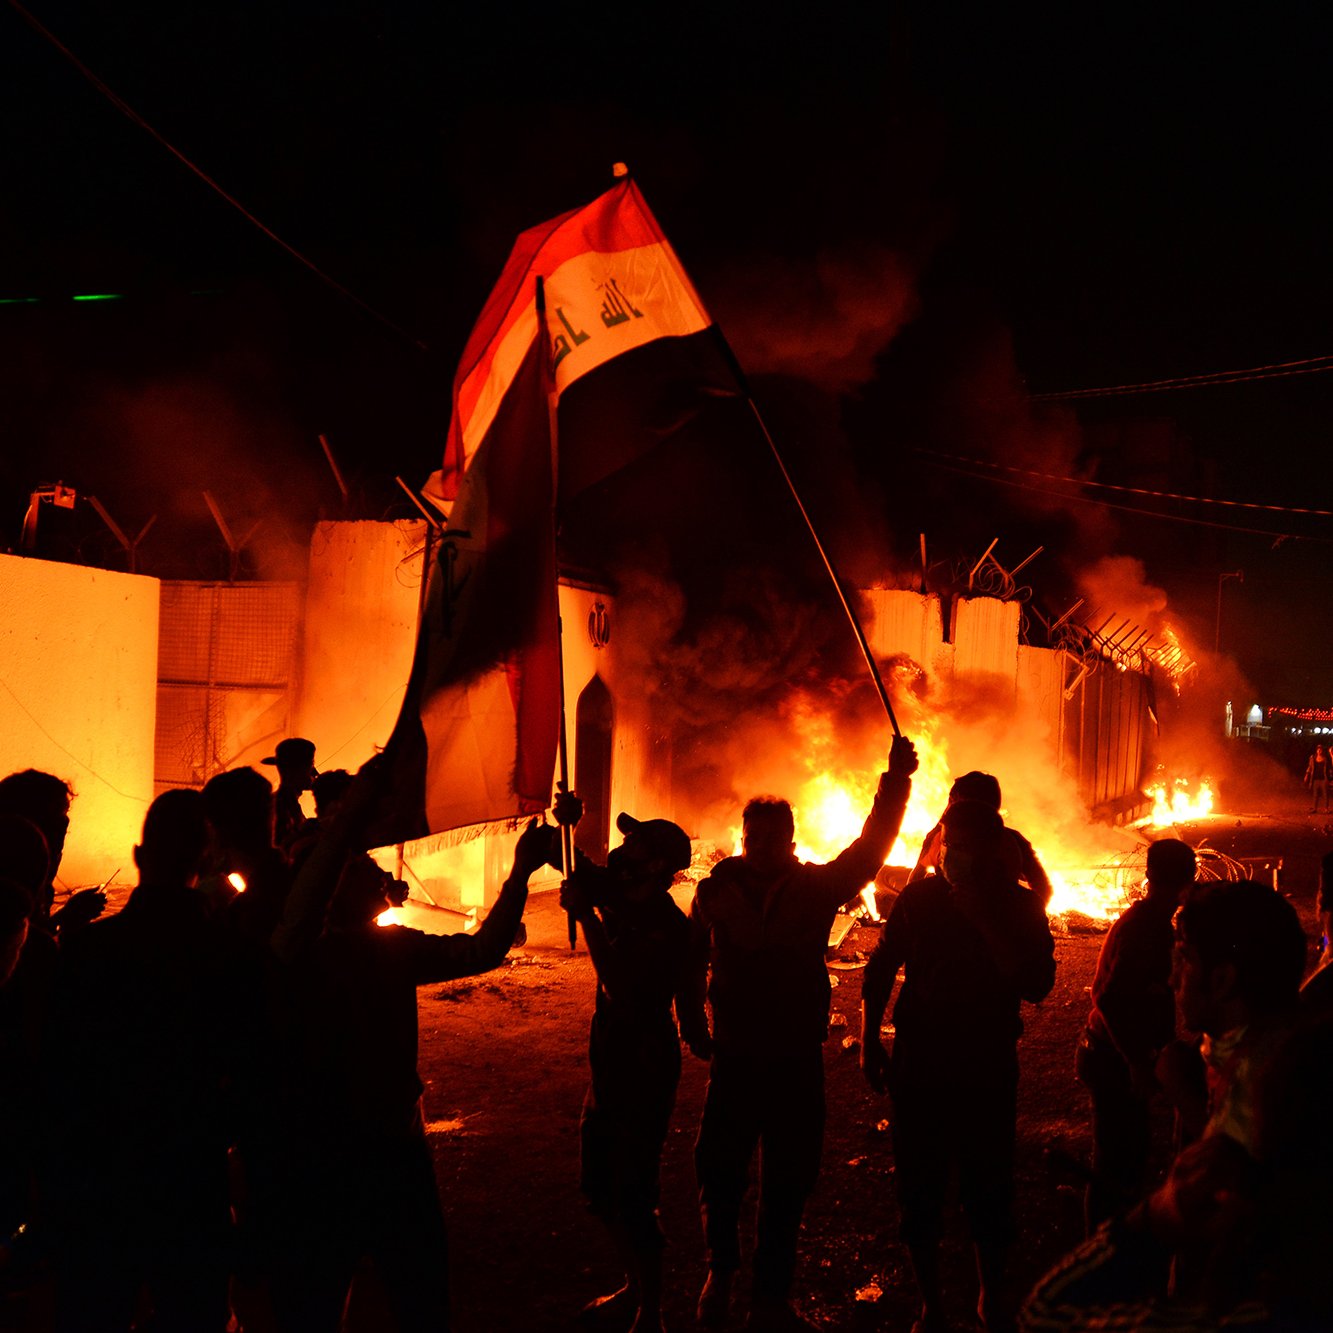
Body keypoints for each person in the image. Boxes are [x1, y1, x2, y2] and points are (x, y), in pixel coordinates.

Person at [264, 759, 544, 1332]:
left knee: (322, 1294)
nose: (378, 876)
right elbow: (482, 951)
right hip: (381, 1146)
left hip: (320, 1146)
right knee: (412, 1290)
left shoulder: (292, 954)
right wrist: (518, 874)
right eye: (362, 870)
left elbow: (480, 951)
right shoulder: (371, 952)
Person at [679, 734, 918, 1331]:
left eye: (772, 838)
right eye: (752, 837)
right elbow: (689, 959)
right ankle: (720, 1273)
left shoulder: (815, 889)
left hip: (794, 1058)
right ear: (743, 838)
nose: (760, 847)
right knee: (720, 1170)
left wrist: (895, 782)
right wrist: (691, 1019)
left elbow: (870, 848)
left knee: (788, 1178)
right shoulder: (714, 891)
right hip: (736, 1055)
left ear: (790, 841)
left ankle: (770, 1297)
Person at [860, 798, 1056, 1333]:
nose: (952, 855)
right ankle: (931, 1307)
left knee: (988, 1184)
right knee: (918, 1188)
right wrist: (869, 1040)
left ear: (990, 850)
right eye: (949, 844)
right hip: (920, 1063)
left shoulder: (1019, 906)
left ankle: (991, 1297)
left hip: (984, 1064)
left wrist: (983, 922)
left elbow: (1036, 984)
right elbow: (881, 968)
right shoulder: (920, 899)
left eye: (963, 846)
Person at [46, 789, 236, 1332]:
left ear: (138, 855)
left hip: (100, 1179)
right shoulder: (228, 956)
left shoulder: (87, 952)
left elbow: (56, 1074)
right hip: (193, 1178)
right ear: (207, 862)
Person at [557, 802, 693, 1333]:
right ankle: (635, 1285)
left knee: (634, 1194)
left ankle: (651, 1310)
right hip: (609, 1056)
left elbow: (618, 982)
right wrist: (567, 822)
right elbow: (567, 859)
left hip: (643, 1062)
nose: (623, 849)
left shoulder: (666, 926)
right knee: (598, 1188)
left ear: (658, 864)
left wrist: (587, 917)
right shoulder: (618, 889)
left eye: (636, 843)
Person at [1076, 838, 1195, 1230]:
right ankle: (1103, 1241)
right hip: (1110, 1057)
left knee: (1129, 1153)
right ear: (1190, 879)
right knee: (1116, 1161)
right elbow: (1108, 997)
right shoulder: (1145, 928)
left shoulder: (1153, 922)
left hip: (1114, 1052)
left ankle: (1113, 1234)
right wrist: (1136, 1062)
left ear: (1148, 875)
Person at [908, 771, 1053, 908]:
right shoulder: (1014, 841)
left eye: (952, 800)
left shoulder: (940, 838)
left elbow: (913, 883)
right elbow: (1043, 890)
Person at [262, 736, 318, 852]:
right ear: (293, 770)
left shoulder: (286, 801)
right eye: (310, 765)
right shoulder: (281, 804)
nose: (314, 773)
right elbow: (279, 846)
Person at [1303, 742, 1330, 813]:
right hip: (1315, 779)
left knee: (1325, 794)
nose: (1319, 750)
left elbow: (1328, 769)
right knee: (1315, 794)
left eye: (1320, 749)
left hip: (1323, 779)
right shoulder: (1313, 758)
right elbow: (1310, 767)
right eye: (1318, 749)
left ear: (1322, 751)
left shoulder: (1325, 759)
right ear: (1316, 750)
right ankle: (1314, 808)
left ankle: (1326, 809)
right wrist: (1306, 775)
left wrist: (1329, 778)